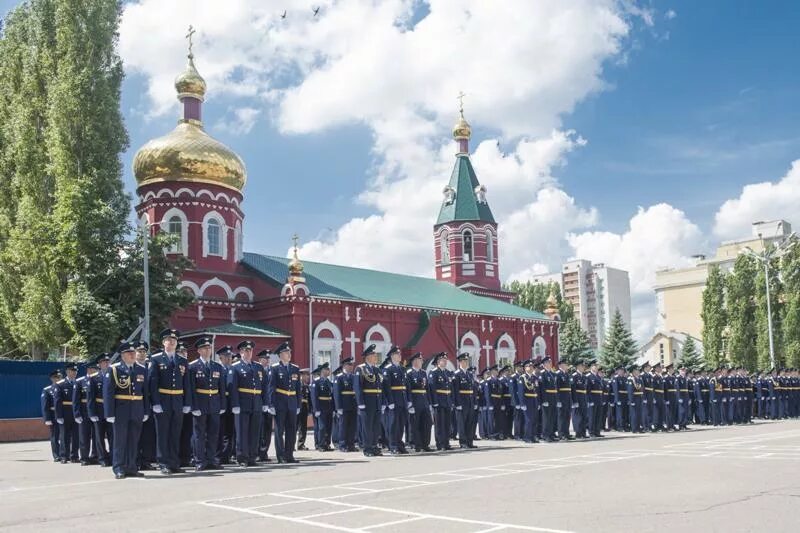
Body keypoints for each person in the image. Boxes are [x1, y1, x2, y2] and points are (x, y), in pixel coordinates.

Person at [148, 328, 190, 475]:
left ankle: (174, 462)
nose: (172, 342)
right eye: (169, 340)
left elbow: (187, 384)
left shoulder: (183, 360)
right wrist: (156, 403)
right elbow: (153, 383)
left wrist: (187, 403)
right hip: (163, 401)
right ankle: (163, 463)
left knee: (175, 433)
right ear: (163, 342)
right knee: (163, 433)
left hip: (178, 401)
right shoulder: (156, 359)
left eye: (174, 340)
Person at [104, 342, 149, 479]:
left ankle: (131, 467)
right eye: (129, 353)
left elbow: (145, 393)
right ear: (122, 355)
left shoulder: (141, 369)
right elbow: (108, 393)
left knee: (133, 440)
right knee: (120, 440)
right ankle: (118, 467)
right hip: (121, 410)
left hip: (137, 409)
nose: (132, 355)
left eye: (133, 353)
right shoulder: (114, 370)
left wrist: (146, 411)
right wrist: (109, 413)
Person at [188, 336, 226, 471]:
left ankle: (211, 459)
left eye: (209, 348)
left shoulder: (217, 366)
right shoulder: (192, 367)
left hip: (214, 403)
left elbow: (222, 388)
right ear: (199, 351)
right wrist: (193, 406)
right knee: (199, 434)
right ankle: (199, 460)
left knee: (213, 433)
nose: (208, 350)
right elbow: (191, 389)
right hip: (200, 403)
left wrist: (222, 405)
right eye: (204, 348)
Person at [229, 340, 267, 467]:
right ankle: (242, 457)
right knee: (242, 432)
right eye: (245, 350)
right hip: (242, 404)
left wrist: (265, 402)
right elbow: (232, 387)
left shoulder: (258, 367)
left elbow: (264, 387)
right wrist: (235, 404)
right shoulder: (235, 367)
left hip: (256, 403)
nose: (248, 352)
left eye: (250, 350)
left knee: (254, 432)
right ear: (240, 352)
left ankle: (252, 456)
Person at [267, 341, 301, 463]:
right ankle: (280, 456)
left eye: (289, 352)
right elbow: (271, 388)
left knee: (292, 430)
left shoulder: (295, 368)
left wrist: (298, 404)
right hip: (280, 403)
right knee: (279, 431)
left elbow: (298, 388)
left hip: (291, 402)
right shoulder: (275, 368)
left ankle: (289, 455)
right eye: (286, 352)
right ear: (280, 355)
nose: (289, 354)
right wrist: (271, 404)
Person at [354, 344, 383, 457]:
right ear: (367, 356)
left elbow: (381, 386)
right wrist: (360, 403)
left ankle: (374, 446)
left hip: (377, 402)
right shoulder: (360, 368)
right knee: (367, 427)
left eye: (375, 355)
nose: (375, 357)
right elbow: (357, 387)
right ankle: (367, 448)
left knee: (376, 426)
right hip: (366, 402)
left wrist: (383, 402)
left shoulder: (377, 369)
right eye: (373, 355)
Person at [382, 345, 409, 454]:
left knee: (401, 424)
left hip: (402, 400)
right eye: (397, 354)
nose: (400, 356)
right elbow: (386, 387)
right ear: (392, 356)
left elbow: (406, 386)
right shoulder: (388, 369)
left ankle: (399, 444)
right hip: (394, 401)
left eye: (399, 354)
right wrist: (390, 402)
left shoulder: (402, 369)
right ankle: (392, 445)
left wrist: (408, 400)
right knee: (393, 425)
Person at [134, 341, 156, 470]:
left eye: (143, 351)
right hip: (137, 404)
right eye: (139, 351)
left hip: (150, 405)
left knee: (148, 435)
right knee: (136, 435)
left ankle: (146, 461)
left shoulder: (150, 367)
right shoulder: (133, 368)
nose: (142, 354)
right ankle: (136, 460)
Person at [88, 353, 112, 467]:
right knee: (99, 436)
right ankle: (102, 457)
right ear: (100, 364)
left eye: (108, 362)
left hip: (111, 410)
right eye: (104, 362)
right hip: (99, 409)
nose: (106, 364)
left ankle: (113, 456)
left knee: (112, 435)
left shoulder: (114, 375)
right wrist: (92, 412)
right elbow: (90, 397)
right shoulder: (93, 378)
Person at [404, 352, 432, 452]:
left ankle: (425, 444)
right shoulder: (409, 373)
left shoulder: (423, 372)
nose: (422, 362)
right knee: (415, 424)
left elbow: (427, 388)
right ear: (415, 361)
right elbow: (408, 389)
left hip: (424, 401)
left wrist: (429, 402)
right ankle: (415, 443)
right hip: (415, 401)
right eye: (420, 360)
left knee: (426, 423)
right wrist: (410, 403)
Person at [73, 362, 98, 465]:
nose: (95, 371)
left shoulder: (99, 379)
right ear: (88, 370)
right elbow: (75, 400)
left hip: (96, 411)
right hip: (84, 412)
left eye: (96, 369)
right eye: (93, 369)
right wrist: (77, 414)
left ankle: (95, 455)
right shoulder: (80, 381)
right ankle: (84, 457)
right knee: (84, 436)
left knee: (97, 435)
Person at [215, 346, 237, 464]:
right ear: (221, 357)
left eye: (230, 356)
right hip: (220, 403)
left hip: (231, 404)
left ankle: (227, 456)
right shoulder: (218, 369)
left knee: (230, 432)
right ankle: (218, 456)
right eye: (227, 356)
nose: (229, 359)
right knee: (219, 431)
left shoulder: (233, 369)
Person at [54, 362, 80, 463]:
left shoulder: (78, 383)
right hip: (65, 413)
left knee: (76, 435)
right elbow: (57, 401)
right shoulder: (60, 384)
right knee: (64, 436)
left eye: (75, 371)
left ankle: (74, 456)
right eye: (72, 371)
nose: (74, 373)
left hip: (76, 413)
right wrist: (58, 416)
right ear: (67, 372)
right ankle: (64, 456)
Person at [428, 352, 453, 451]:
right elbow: (432, 389)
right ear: (438, 361)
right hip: (439, 401)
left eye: (446, 359)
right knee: (439, 424)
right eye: (443, 359)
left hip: (447, 400)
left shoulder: (447, 372)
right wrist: (434, 402)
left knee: (447, 423)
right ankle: (440, 443)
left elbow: (450, 388)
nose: (445, 361)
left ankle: (446, 442)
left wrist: (451, 401)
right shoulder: (433, 372)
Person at [452, 352, 476, 449]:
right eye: (464, 361)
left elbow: (473, 389)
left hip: (470, 401)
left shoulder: (470, 374)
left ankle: (470, 441)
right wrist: (457, 403)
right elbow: (455, 390)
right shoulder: (457, 374)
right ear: (460, 362)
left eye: (467, 361)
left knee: (470, 422)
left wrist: (474, 402)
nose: (466, 362)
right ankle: (463, 442)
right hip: (462, 401)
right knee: (462, 423)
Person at [333, 357, 357, 452]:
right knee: (343, 426)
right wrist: (338, 407)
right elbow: (337, 393)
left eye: (352, 365)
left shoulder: (354, 377)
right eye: (349, 365)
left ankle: (351, 444)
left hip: (353, 404)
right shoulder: (339, 377)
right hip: (343, 405)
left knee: (352, 426)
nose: (351, 367)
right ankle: (342, 444)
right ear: (344, 366)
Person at [311, 362, 335, 451]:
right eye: (327, 369)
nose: (329, 371)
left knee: (329, 426)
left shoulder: (329, 382)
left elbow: (332, 396)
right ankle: (320, 444)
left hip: (329, 406)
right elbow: (314, 397)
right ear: (322, 371)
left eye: (328, 369)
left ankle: (327, 443)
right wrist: (316, 409)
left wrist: (333, 409)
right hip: (321, 407)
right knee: (322, 427)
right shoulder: (316, 382)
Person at [255, 349, 274, 462]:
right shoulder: (257, 371)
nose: (267, 361)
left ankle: (264, 453)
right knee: (259, 430)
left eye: (268, 359)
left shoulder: (272, 371)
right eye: (264, 359)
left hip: (270, 406)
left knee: (267, 431)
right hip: (260, 405)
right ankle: (257, 452)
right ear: (260, 360)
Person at [41, 370, 62, 462]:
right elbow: (45, 405)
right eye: (56, 377)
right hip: (53, 416)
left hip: (64, 415)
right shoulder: (47, 390)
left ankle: (65, 454)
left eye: (59, 377)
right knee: (55, 436)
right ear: (52, 379)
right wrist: (47, 418)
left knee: (66, 436)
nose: (57, 379)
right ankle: (56, 455)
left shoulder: (64, 387)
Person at [517, 358, 540, 443]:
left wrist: (538, 402)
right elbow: (520, 392)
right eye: (528, 366)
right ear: (525, 368)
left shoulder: (534, 377)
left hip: (534, 400)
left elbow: (537, 391)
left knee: (534, 420)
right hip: (527, 401)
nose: (530, 367)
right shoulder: (522, 378)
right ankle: (527, 437)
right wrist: (522, 403)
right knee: (528, 420)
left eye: (531, 366)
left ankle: (533, 436)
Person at [540, 358, 558, 442]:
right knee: (546, 418)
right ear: (544, 364)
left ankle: (551, 434)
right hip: (547, 397)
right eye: (548, 362)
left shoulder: (552, 374)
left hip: (553, 397)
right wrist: (544, 400)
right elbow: (542, 388)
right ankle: (545, 435)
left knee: (552, 417)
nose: (550, 364)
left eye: (550, 362)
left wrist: (557, 399)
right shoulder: (542, 374)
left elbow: (555, 388)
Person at [556, 359, 574, 440]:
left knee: (567, 416)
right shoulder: (558, 374)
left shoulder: (567, 374)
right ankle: (561, 433)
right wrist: (558, 400)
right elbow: (557, 388)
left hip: (567, 398)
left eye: (566, 364)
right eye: (565, 364)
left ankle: (566, 433)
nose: (566, 366)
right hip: (561, 398)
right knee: (561, 417)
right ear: (560, 365)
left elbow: (569, 388)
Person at [585, 359, 604, 438]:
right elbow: (587, 390)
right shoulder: (588, 377)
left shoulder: (598, 377)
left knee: (598, 416)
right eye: (594, 366)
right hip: (592, 398)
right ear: (591, 367)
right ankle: (591, 431)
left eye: (596, 366)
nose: (596, 367)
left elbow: (600, 389)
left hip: (598, 398)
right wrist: (589, 400)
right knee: (592, 416)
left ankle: (597, 431)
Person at [571, 360, 588, 438]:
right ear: (578, 367)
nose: (583, 368)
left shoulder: (584, 377)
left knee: (584, 415)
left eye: (583, 366)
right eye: (582, 366)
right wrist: (574, 401)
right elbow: (573, 389)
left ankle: (583, 432)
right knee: (578, 416)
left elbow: (586, 389)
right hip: (577, 397)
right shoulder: (574, 376)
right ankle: (578, 433)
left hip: (584, 398)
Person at [296, 367, 311, 451]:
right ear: (301, 376)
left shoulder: (306, 387)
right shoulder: (297, 385)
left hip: (304, 407)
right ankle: (290, 444)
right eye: (305, 375)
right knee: (293, 426)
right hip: (297, 407)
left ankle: (301, 444)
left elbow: (309, 399)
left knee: (303, 427)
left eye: (307, 375)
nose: (307, 377)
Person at [627, 365, 645, 433]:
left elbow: (642, 389)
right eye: (636, 371)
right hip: (634, 398)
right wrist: (631, 400)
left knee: (639, 414)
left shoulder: (639, 379)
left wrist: (643, 398)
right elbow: (630, 391)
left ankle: (639, 427)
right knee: (634, 414)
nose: (638, 372)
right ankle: (634, 428)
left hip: (639, 398)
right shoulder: (630, 379)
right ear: (633, 372)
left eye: (638, 371)